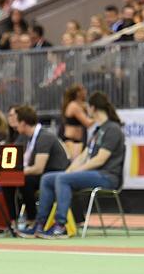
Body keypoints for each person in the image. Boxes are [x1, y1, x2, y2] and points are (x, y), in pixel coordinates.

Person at [28, 91, 125, 239]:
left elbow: (100, 159)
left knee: (62, 179)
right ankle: (40, 224)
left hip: (107, 177)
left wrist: (73, 173)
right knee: (48, 178)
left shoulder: (113, 129)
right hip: (94, 174)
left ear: (93, 108)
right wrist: (68, 171)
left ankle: (61, 226)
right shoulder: (98, 130)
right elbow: (83, 156)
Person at [12, 105, 71, 237]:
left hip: (54, 173)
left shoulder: (45, 137)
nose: (14, 125)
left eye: (16, 121)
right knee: (11, 183)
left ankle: (35, 220)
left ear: (22, 122)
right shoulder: (25, 137)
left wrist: (17, 173)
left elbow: (38, 168)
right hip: (43, 175)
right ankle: (12, 222)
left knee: (25, 180)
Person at [61, 84, 93, 160]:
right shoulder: (73, 106)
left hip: (79, 140)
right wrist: (100, 117)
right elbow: (87, 122)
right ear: (78, 93)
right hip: (72, 140)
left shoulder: (82, 105)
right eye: (83, 90)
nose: (86, 92)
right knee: (75, 163)